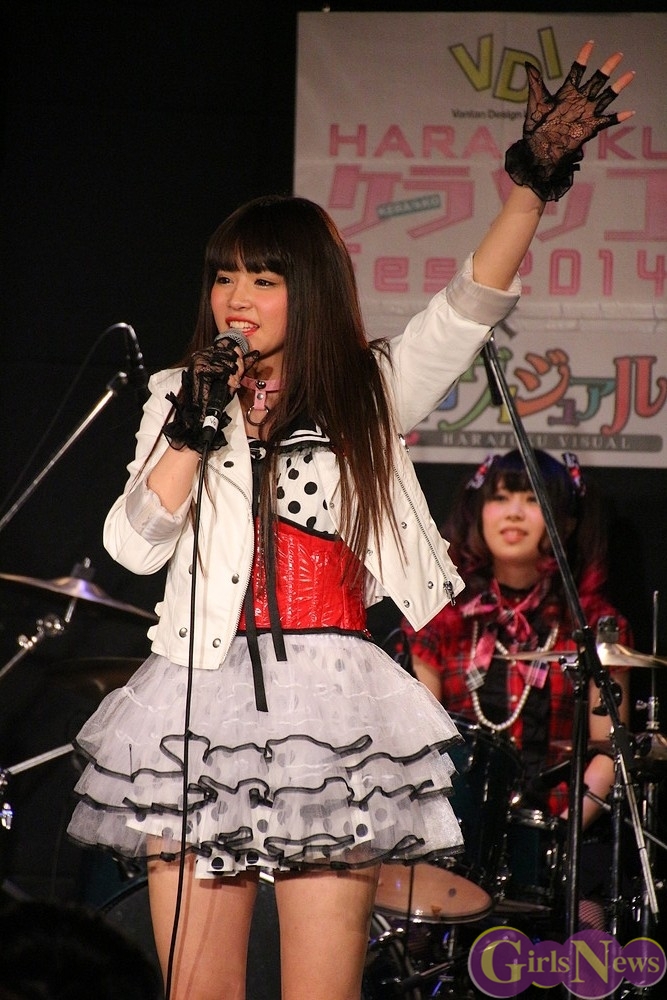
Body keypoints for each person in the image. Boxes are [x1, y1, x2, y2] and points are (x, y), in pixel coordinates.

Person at [66, 42, 635, 1000]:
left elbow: (464, 309)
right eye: (223, 277)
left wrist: (530, 191)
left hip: (330, 705)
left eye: (263, 278)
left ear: (310, 289)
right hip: (197, 693)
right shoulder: (175, 392)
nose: (236, 298)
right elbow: (131, 546)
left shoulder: (368, 390)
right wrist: (193, 430)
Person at [403, 448, 633, 921]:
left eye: (532, 499)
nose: (513, 512)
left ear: (566, 521)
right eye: (501, 498)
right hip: (458, 837)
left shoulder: (596, 625)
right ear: (478, 513)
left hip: (562, 834)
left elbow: (609, 751)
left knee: (589, 932)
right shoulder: (440, 618)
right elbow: (421, 745)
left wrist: (558, 830)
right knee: (413, 929)